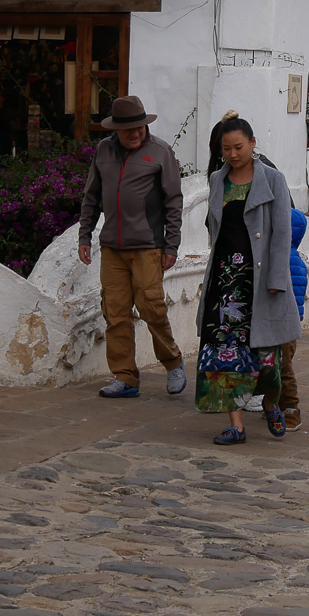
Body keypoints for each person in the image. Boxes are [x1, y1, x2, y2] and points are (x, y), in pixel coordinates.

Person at [196, 119, 300, 444]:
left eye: (238, 147)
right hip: (225, 285)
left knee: (268, 359)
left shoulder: (273, 179)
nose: (232, 154)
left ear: (253, 143)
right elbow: (212, 227)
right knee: (226, 354)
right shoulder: (217, 179)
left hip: (260, 282)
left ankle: (271, 402)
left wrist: (277, 277)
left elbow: (282, 232)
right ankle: (236, 425)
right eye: (226, 149)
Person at [78, 95, 186, 400]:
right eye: (129, 130)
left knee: (152, 308)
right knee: (115, 313)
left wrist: (171, 245)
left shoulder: (161, 152)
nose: (136, 133)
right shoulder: (103, 151)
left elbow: (173, 202)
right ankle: (125, 377)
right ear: (116, 130)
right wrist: (84, 237)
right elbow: (91, 196)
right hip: (112, 248)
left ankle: (173, 363)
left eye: (140, 127)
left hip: (149, 247)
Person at [262, 206, 309, 432]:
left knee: (283, 367)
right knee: (273, 366)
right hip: (273, 322)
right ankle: (273, 405)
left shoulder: (289, 261)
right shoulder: (293, 260)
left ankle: (291, 408)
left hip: (285, 324)